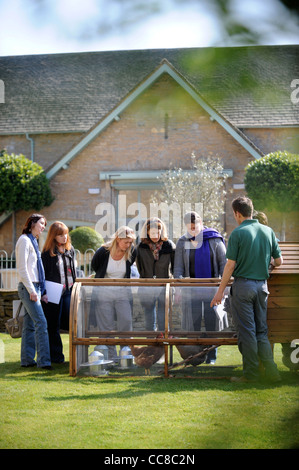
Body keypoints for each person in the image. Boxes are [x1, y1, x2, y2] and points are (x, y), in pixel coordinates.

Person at [211, 196, 283, 383]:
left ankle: (251, 375)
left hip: (243, 287)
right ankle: (272, 372)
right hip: (262, 287)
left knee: (247, 333)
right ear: (251, 210)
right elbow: (278, 261)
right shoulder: (268, 231)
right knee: (261, 331)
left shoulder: (237, 233)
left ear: (237, 213)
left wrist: (219, 292)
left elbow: (229, 266)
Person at [174, 211, 227, 364]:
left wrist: (223, 288)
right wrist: (178, 288)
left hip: (213, 291)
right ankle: (196, 356)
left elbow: (224, 265)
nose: (193, 229)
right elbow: (178, 268)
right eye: (190, 227)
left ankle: (211, 356)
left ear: (201, 223)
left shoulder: (214, 239)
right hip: (191, 292)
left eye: (195, 225)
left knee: (212, 323)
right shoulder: (182, 242)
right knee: (193, 324)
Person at [91, 226, 136, 360]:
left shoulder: (132, 251)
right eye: (126, 242)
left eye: (130, 242)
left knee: (126, 321)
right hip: (103, 291)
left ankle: (126, 356)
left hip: (123, 292)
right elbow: (95, 265)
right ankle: (111, 357)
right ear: (118, 239)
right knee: (107, 326)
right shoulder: (103, 251)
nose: (128, 245)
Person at [15, 214, 52, 369]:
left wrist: (41, 291)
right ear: (32, 223)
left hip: (34, 287)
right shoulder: (24, 240)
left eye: (44, 224)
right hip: (28, 288)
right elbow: (23, 269)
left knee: (29, 325)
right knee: (41, 323)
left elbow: (36, 270)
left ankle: (27, 360)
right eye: (41, 223)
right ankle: (44, 362)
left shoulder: (33, 241)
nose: (43, 227)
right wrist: (32, 290)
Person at [41, 221, 76, 364]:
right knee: (53, 325)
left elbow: (73, 270)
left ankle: (75, 357)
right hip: (53, 293)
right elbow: (43, 276)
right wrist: (44, 292)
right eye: (61, 235)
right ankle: (57, 358)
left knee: (72, 323)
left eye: (66, 234)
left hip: (69, 292)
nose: (65, 237)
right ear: (54, 236)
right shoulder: (46, 254)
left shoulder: (70, 250)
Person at [136, 217, 175, 331]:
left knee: (163, 319)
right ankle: (151, 344)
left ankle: (162, 345)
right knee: (149, 320)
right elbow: (140, 267)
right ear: (147, 232)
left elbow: (174, 266)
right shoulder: (141, 247)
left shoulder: (169, 246)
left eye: (158, 232)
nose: (155, 235)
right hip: (147, 286)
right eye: (152, 232)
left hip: (165, 285)